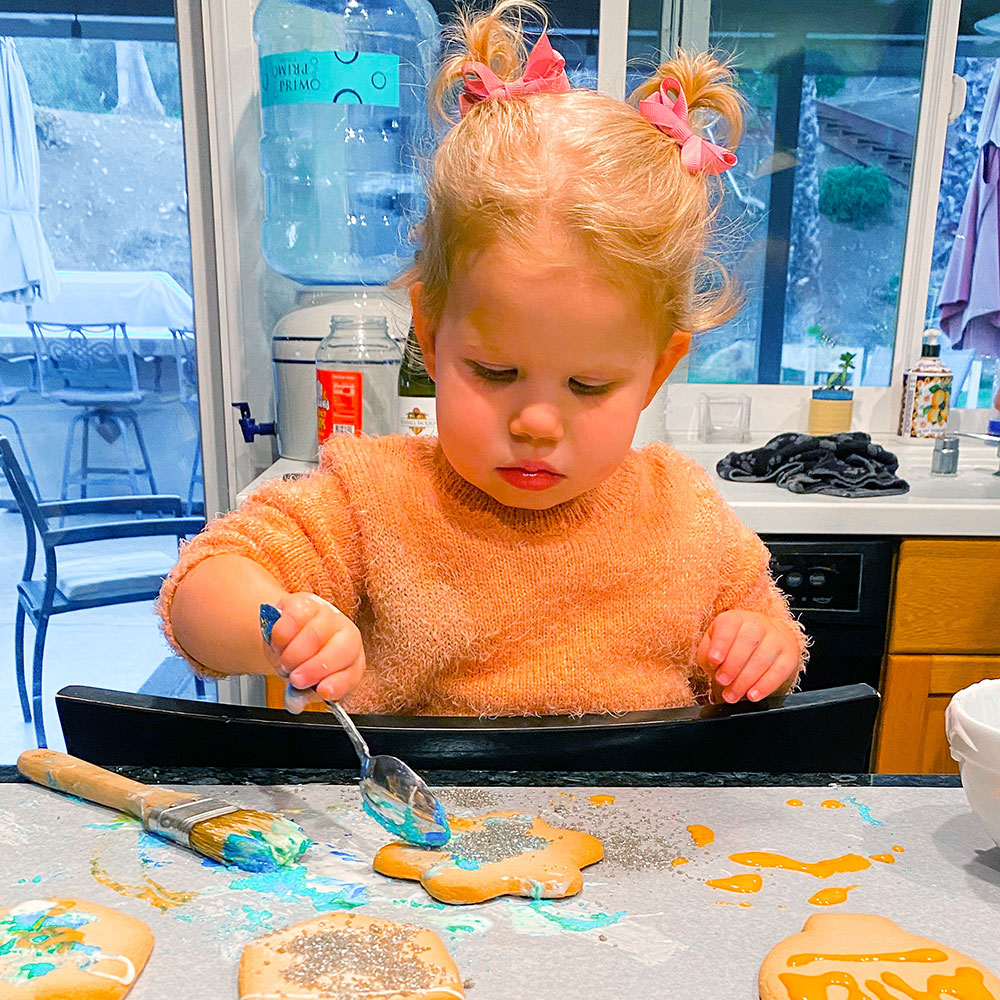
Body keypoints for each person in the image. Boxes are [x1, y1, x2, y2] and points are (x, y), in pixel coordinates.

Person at [160, 0, 806, 716]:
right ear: (431, 339)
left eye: (588, 386)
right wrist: (279, 627)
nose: (534, 421)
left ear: (657, 370)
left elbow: (765, 626)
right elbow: (204, 587)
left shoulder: (685, 514)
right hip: (416, 826)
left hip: (636, 824)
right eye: (495, 373)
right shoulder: (372, 500)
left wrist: (762, 645)